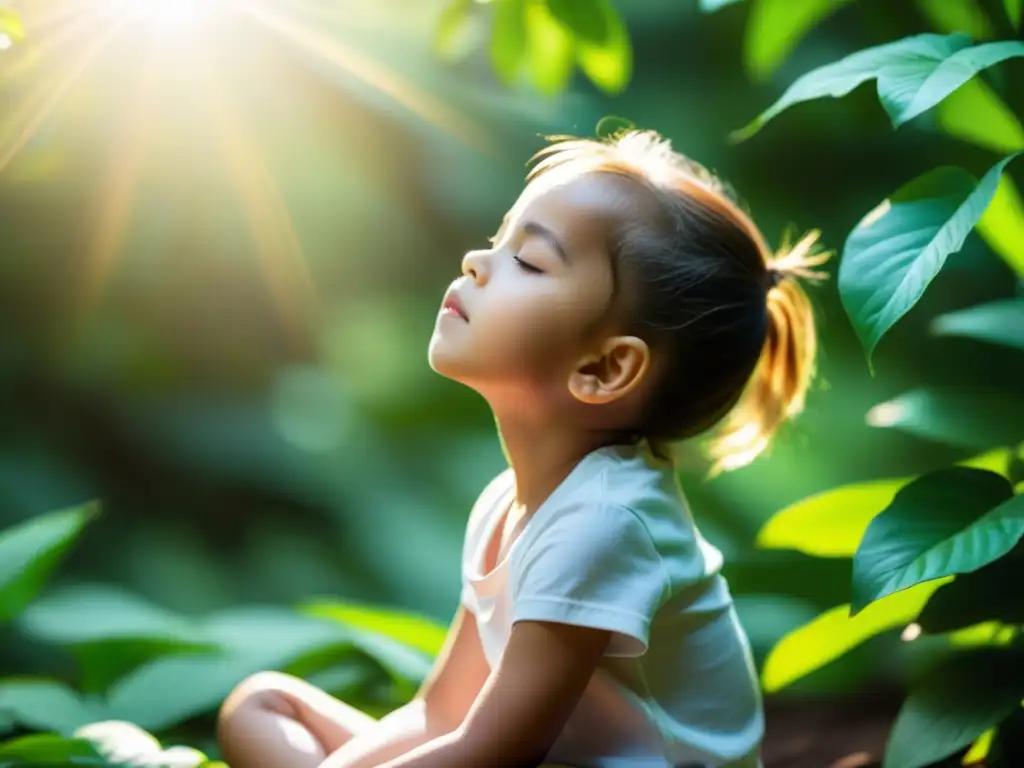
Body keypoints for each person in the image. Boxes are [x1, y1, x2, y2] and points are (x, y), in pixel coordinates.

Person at [216, 129, 829, 768]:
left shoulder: (604, 522)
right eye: (497, 240)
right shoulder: (508, 504)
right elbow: (443, 715)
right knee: (264, 707)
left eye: (530, 261)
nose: (477, 263)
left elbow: (492, 751)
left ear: (605, 369)